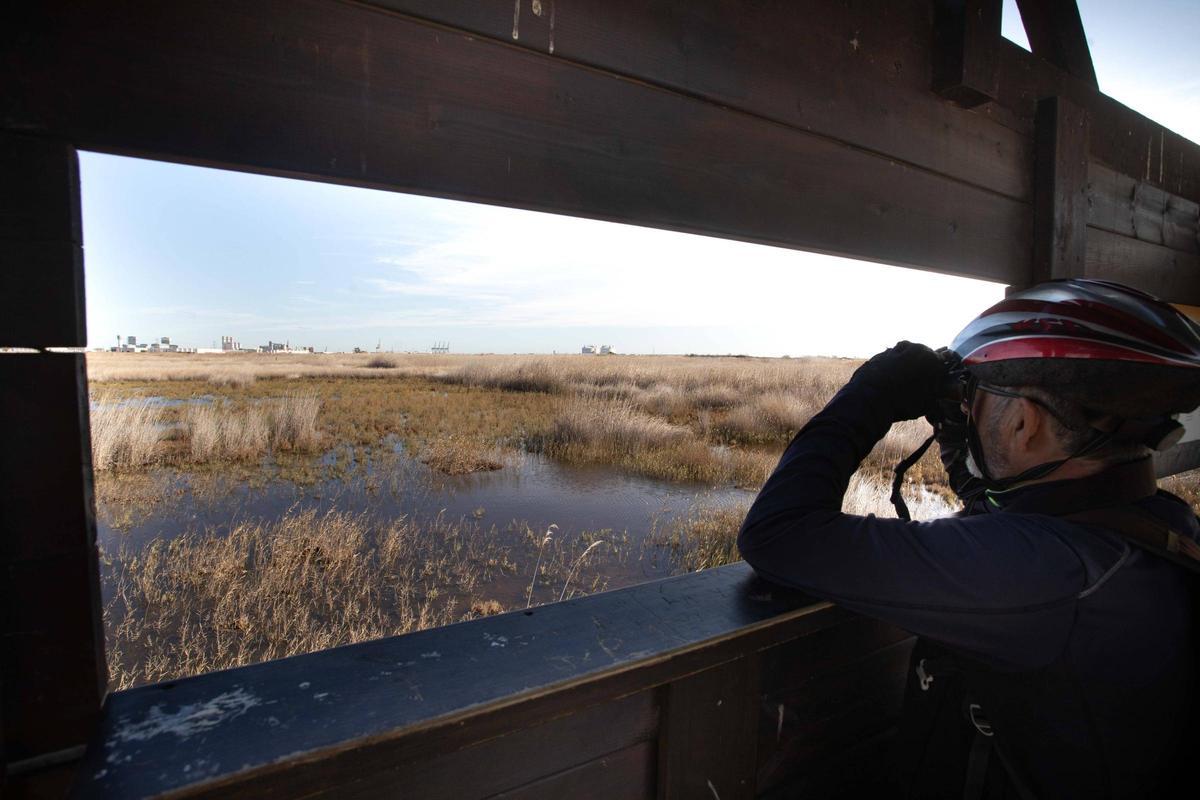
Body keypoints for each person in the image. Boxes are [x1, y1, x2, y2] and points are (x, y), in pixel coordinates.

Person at [737, 279, 1200, 798]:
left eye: (975, 400)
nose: (966, 410)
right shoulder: (1162, 522)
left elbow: (778, 533)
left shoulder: (1036, 573)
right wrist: (968, 447)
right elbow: (1015, 526)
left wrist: (870, 394)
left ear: (1024, 423)